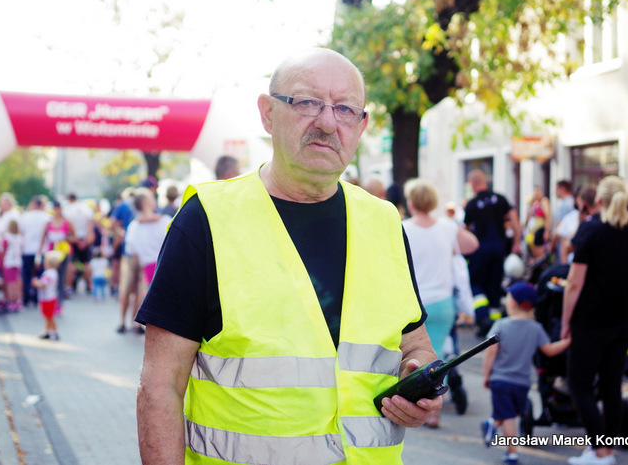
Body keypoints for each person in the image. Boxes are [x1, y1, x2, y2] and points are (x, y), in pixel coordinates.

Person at [135, 48, 443, 464]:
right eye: (307, 102)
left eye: (345, 109)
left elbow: (415, 344)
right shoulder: (206, 219)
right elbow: (160, 385)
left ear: (361, 126)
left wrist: (420, 378)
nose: (327, 122)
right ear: (268, 113)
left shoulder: (384, 221)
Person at [561, 176, 628, 465]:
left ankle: (601, 452)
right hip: (623, 322)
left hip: (591, 322)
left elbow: (574, 283)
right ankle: (605, 449)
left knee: (580, 386)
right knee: (611, 386)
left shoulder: (591, 231)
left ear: (599, 200)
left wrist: (565, 321)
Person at [402, 178, 479, 427]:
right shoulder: (446, 227)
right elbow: (472, 244)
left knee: (410, 353)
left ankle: (411, 400)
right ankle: (433, 410)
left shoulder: (403, 228)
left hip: (414, 302)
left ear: (411, 202)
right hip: (443, 302)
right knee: (438, 354)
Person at [480, 282, 571, 464]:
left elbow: (490, 351)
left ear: (513, 302)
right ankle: (494, 426)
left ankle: (511, 452)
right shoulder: (536, 328)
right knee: (512, 414)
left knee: (507, 415)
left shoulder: (501, 325)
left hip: (500, 379)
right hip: (522, 382)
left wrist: (486, 375)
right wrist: (569, 341)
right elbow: (550, 350)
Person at [464, 169, 521, 331]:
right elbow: (514, 221)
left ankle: (483, 318)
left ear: (473, 183)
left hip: (479, 250)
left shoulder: (472, 204)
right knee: (495, 283)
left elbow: (466, 230)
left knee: (476, 282)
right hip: (499, 248)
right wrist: (516, 242)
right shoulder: (500, 199)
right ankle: (496, 323)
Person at [121, 188, 172, 333]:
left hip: (146, 266)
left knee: (142, 293)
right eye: (151, 198)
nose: (154, 200)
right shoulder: (165, 221)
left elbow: (131, 250)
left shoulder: (134, 226)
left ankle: (135, 323)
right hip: (163, 267)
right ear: (145, 202)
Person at [40, 200, 76, 308]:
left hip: (63, 253)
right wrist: (39, 253)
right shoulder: (49, 222)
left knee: (61, 278)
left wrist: (65, 238)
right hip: (51, 253)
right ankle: (50, 301)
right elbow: (43, 238)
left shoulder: (67, 222)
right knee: (51, 277)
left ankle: (59, 303)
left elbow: (74, 237)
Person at [18, 196, 52, 307]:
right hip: (41, 250)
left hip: (27, 249)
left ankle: (27, 296)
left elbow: (21, 233)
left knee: (27, 275)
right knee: (40, 274)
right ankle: (38, 296)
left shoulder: (25, 217)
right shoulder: (46, 217)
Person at [63, 193, 95, 293]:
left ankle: (69, 286)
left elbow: (67, 227)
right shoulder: (87, 209)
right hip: (85, 239)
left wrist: (75, 239)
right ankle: (90, 285)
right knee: (86, 263)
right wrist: (86, 241)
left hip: (73, 239)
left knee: (71, 263)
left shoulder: (67, 210)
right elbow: (90, 227)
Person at [32, 250, 63, 341]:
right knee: (47, 316)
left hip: (47, 298)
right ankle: (46, 331)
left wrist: (36, 283)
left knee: (50, 316)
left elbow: (43, 285)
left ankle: (55, 332)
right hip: (50, 297)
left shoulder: (48, 273)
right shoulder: (54, 272)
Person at [522, 186, 551, 262]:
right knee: (532, 250)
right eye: (535, 192)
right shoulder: (533, 203)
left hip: (540, 229)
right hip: (532, 231)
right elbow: (528, 217)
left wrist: (547, 231)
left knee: (539, 251)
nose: (536, 194)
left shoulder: (544, 201)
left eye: (538, 191)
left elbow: (548, 216)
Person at [2, 219, 24, 311]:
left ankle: (11, 301)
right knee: (16, 281)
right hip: (17, 262)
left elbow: (3, 250)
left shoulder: (7, 237)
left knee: (10, 283)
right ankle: (18, 300)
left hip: (9, 261)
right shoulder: (19, 237)